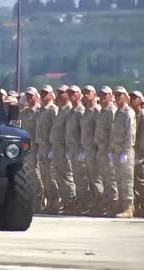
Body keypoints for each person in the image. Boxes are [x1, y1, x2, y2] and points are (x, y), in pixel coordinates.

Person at [110, 86, 137, 218]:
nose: (117, 97)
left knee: (127, 180)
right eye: (116, 95)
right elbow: (113, 133)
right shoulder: (118, 112)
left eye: (120, 95)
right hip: (117, 150)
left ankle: (128, 207)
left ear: (125, 97)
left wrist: (126, 151)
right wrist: (111, 149)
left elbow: (130, 133)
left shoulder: (128, 112)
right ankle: (124, 206)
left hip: (124, 151)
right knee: (119, 179)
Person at [49, 85, 76, 214]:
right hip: (57, 147)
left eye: (62, 93)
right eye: (58, 93)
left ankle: (71, 202)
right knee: (59, 176)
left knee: (66, 176)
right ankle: (65, 202)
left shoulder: (69, 110)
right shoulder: (61, 110)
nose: (59, 95)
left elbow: (70, 132)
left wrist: (67, 149)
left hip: (64, 147)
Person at [95, 86, 118, 216]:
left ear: (110, 96)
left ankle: (114, 205)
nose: (102, 98)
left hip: (109, 149)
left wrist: (111, 150)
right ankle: (109, 204)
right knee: (104, 178)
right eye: (101, 95)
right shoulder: (102, 111)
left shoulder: (111, 111)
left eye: (105, 95)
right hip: (101, 149)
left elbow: (113, 132)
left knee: (111, 178)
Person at [35, 85, 59, 214]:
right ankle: (49, 201)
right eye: (42, 93)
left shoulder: (53, 110)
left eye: (46, 93)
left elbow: (55, 129)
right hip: (42, 146)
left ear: (51, 95)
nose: (44, 96)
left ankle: (54, 202)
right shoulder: (41, 110)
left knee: (51, 176)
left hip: (50, 146)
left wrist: (52, 148)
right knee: (44, 176)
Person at [81, 85, 103, 215]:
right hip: (87, 149)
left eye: (88, 93)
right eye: (84, 93)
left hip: (95, 149)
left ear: (94, 95)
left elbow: (99, 131)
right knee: (90, 177)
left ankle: (100, 204)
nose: (85, 95)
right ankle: (94, 203)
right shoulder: (86, 111)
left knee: (96, 178)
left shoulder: (97, 111)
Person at [20, 87, 43, 211]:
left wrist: (39, 148)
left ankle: (40, 199)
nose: (29, 98)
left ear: (36, 96)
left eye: (31, 96)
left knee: (36, 174)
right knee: (29, 174)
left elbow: (39, 131)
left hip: (35, 147)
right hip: (26, 148)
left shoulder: (39, 112)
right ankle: (34, 199)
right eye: (27, 96)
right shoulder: (26, 112)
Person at [66, 85, 87, 214]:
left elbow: (83, 131)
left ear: (79, 95)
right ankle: (78, 203)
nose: (71, 95)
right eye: (70, 93)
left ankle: (84, 203)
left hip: (80, 148)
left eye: (74, 93)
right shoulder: (71, 111)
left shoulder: (81, 111)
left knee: (82, 178)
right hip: (72, 148)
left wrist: (82, 150)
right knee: (76, 178)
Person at [129, 90, 144, 216]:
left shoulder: (143, 117)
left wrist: (141, 153)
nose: (132, 100)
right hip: (134, 152)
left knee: (142, 179)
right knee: (134, 179)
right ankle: (138, 205)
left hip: (141, 152)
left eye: (135, 98)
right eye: (131, 98)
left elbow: (143, 136)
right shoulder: (133, 115)